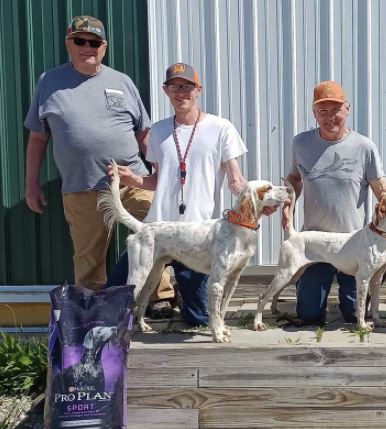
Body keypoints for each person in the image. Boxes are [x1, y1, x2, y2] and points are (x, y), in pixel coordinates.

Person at [23, 15, 174, 307]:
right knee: (88, 256)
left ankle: (159, 299)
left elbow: (145, 133)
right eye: (80, 41)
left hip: (133, 181)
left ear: (104, 47)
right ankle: (93, 308)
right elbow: (38, 138)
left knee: (157, 238)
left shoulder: (122, 81)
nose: (87, 47)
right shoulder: (49, 82)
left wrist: (159, 173)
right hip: (82, 186)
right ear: (69, 44)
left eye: (94, 42)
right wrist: (31, 184)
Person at [106, 62, 251, 326]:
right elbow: (157, 181)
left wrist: (254, 198)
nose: (181, 92)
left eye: (187, 86)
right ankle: (106, 334)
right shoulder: (159, 131)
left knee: (199, 320)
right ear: (166, 90)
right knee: (115, 294)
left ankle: (187, 296)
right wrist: (132, 179)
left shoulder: (222, 128)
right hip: (158, 227)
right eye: (175, 86)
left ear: (199, 90)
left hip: (198, 234)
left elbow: (236, 180)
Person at [283, 80, 386, 325]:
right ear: (314, 113)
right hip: (317, 244)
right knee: (309, 316)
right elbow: (294, 178)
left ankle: (353, 306)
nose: (330, 117)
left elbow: (382, 191)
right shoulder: (301, 144)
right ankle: (310, 293)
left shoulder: (364, 147)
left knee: (353, 315)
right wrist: (289, 204)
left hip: (355, 244)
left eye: (336, 110)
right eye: (323, 111)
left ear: (347, 110)